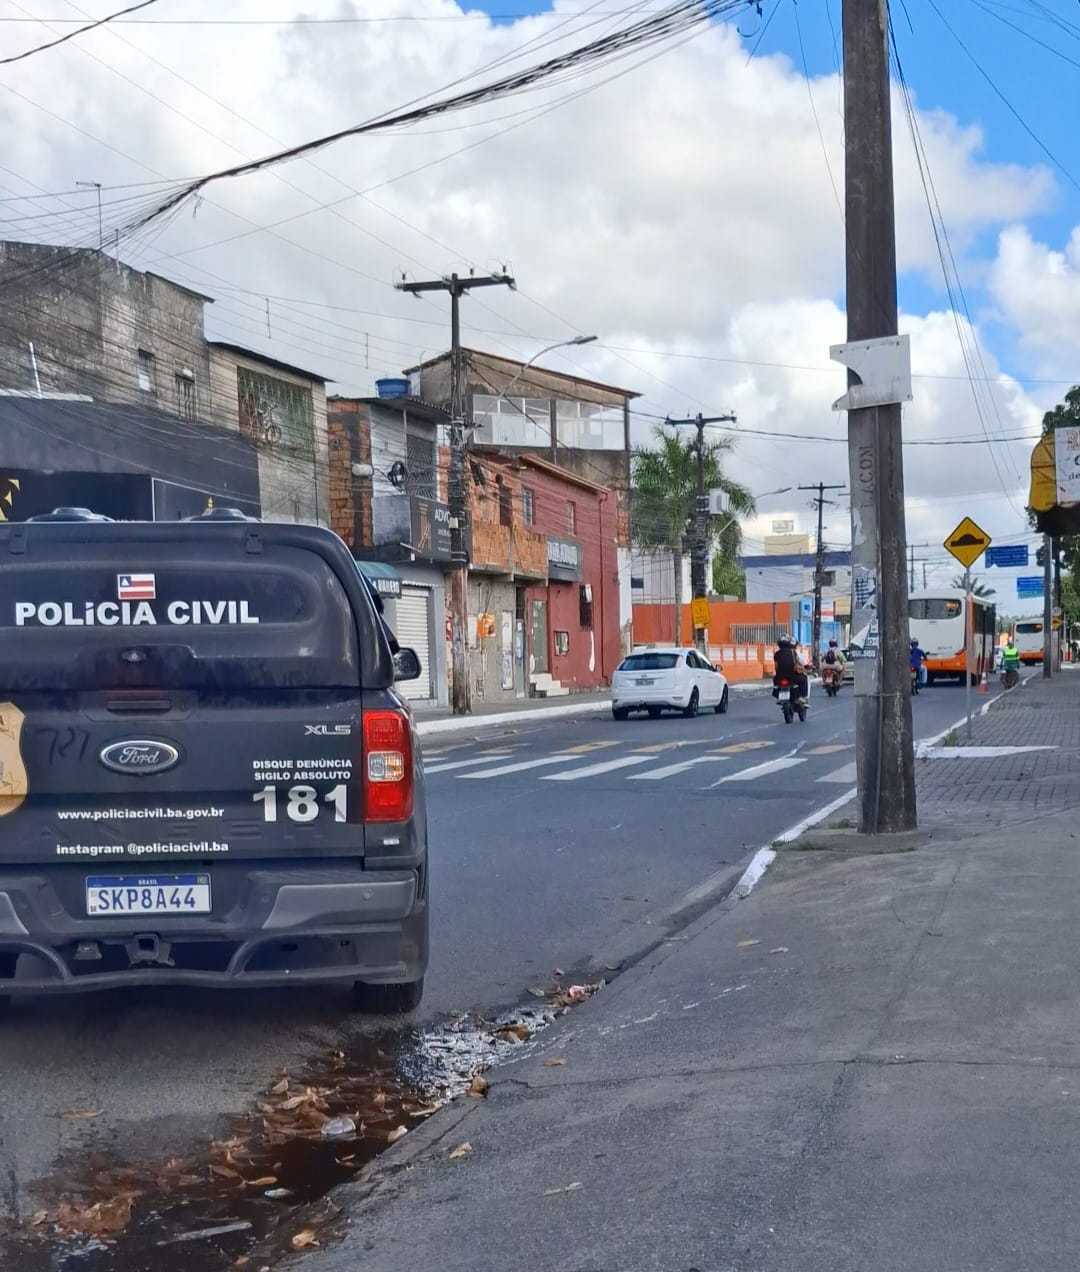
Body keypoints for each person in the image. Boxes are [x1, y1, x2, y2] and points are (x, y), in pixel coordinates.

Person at [774, 635, 809, 703]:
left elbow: (776, 667)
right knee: (804, 679)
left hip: (779, 677)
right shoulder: (793, 652)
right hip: (792, 676)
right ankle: (802, 696)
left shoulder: (776, 654)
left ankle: (779, 696)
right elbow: (798, 663)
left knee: (775, 680)